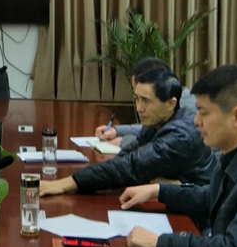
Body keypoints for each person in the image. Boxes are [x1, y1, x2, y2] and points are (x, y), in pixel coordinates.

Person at [122, 65, 237, 247]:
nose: (195, 121)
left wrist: (160, 242)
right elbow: (213, 197)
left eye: (204, 112)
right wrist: (159, 191)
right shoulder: (232, 153)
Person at [41, 67, 216, 197]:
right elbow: (127, 156)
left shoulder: (180, 135)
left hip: (195, 215)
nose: (139, 108)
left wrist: (67, 183)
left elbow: (131, 167)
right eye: (137, 99)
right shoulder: (159, 120)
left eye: (146, 101)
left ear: (170, 104)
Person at [95, 57, 197, 149]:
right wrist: (116, 131)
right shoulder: (162, 113)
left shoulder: (185, 108)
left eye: (145, 99)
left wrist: (123, 141)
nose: (138, 108)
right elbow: (148, 130)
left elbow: (159, 144)